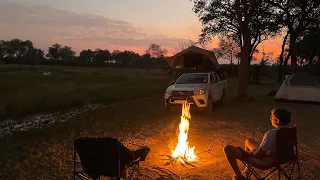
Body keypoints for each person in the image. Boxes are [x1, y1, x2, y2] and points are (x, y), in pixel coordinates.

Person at [223, 108, 292, 180]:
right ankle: (247, 171)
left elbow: (258, 155)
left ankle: (239, 176)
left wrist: (250, 153)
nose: (270, 119)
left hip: (267, 162)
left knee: (228, 149)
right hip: (284, 157)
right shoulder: (290, 131)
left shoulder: (272, 134)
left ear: (277, 120)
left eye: (272, 118)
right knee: (248, 141)